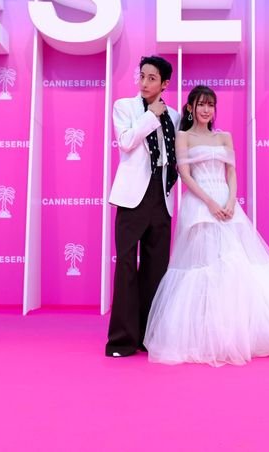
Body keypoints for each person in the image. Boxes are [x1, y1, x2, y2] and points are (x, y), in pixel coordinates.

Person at [144, 85, 269, 366]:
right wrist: (210, 203)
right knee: (203, 266)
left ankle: (238, 332)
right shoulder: (183, 136)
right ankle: (206, 335)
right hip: (199, 204)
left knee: (235, 264)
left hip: (228, 205)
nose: (206, 110)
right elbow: (185, 175)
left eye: (211, 105)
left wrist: (231, 201)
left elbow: (232, 173)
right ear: (190, 108)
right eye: (201, 104)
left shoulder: (224, 137)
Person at [105, 56, 180, 357]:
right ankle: (121, 340)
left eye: (152, 78)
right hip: (132, 196)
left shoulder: (174, 116)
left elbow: (176, 153)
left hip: (162, 195)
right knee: (126, 266)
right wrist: (150, 115)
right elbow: (126, 142)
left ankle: (147, 337)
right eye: (142, 76)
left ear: (164, 84)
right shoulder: (125, 107)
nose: (144, 83)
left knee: (155, 269)